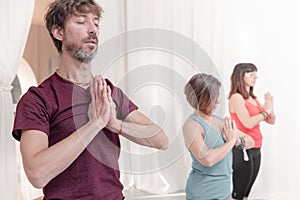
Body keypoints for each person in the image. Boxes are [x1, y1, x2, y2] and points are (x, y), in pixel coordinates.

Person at [12, 0, 169, 199]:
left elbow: (161, 140)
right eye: (81, 22)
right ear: (59, 32)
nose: (93, 29)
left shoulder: (108, 91)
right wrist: (94, 124)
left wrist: (115, 124)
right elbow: (36, 174)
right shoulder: (38, 99)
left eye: (95, 22)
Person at [183, 73, 254, 200]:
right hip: (202, 194)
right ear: (202, 97)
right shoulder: (192, 125)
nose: (218, 101)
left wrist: (238, 141)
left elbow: (250, 141)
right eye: (214, 97)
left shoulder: (219, 121)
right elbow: (207, 159)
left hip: (224, 192)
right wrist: (231, 142)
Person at [228, 63, 276, 200]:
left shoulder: (253, 99)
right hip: (243, 146)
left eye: (256, 73)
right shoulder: (236, 98)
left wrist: (271, 107)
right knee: (239, 192)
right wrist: (266, 111)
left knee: (246, 193)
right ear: (240, 76)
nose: (256, 76)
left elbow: (271, 120)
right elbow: (247, 122)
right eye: (251, 74)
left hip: (257, 146)